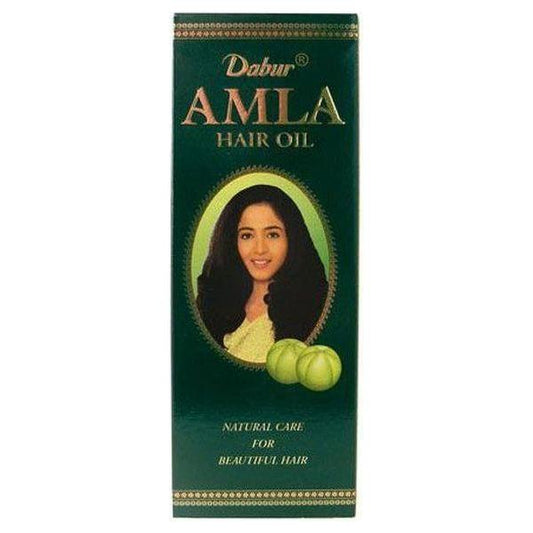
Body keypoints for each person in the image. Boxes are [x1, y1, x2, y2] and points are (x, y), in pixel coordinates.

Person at [196, 184, 328, 363]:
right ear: (231, 242)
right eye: (247, 235)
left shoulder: (317, 307)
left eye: (272, 235)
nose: (260, 249)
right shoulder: (211, 305)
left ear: (292, 238)